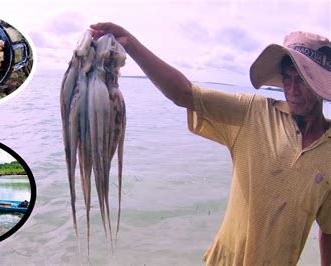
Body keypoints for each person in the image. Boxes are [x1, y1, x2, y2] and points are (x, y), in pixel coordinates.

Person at [89, 23, 331, 265]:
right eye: (287, 78)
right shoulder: (254, 113)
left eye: (302, 79)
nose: (292, 89)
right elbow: (183, 93)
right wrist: (131, 44)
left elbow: (329, 229)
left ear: (321, 85)